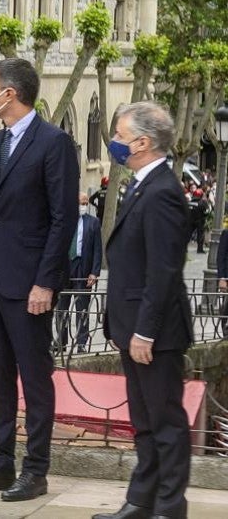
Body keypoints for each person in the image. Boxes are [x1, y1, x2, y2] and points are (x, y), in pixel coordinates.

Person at [0, 58, 78, 502]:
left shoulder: (55, 143)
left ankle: (37, 469)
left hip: (30, 285)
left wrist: (45, 282)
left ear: (10, 93)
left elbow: (63, 220)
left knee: (35, 378)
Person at [94, 101, 193, 519]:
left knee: (166, 424)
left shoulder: (163, 192)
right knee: (145, 422)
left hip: (155, 334)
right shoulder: (140, 184)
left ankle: (170, 508)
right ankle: (141, 500)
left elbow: (163, 271)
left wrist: (145, 331)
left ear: (143, 142)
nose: (114, 143)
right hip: (132, 326)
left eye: (119, 136)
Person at [55, 193, 102, 355]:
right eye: (81, 203)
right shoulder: (63, 221)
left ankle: (81, 342)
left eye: (85, 203)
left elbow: (97, 249)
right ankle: (61, 342)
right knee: (62, 308)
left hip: (83, 267)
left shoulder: (93, 223)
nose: (83, 206)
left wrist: (94, 272)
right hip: (65, 268)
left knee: (82, 308)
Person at [188, 188, 209, 253]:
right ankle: (199, 249)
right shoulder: (203, 202)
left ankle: (183, 248)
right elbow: (207, 212)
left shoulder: (190, 202)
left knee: (188, 234)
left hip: (191, 221)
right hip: (200, 220)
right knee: (200, 235)